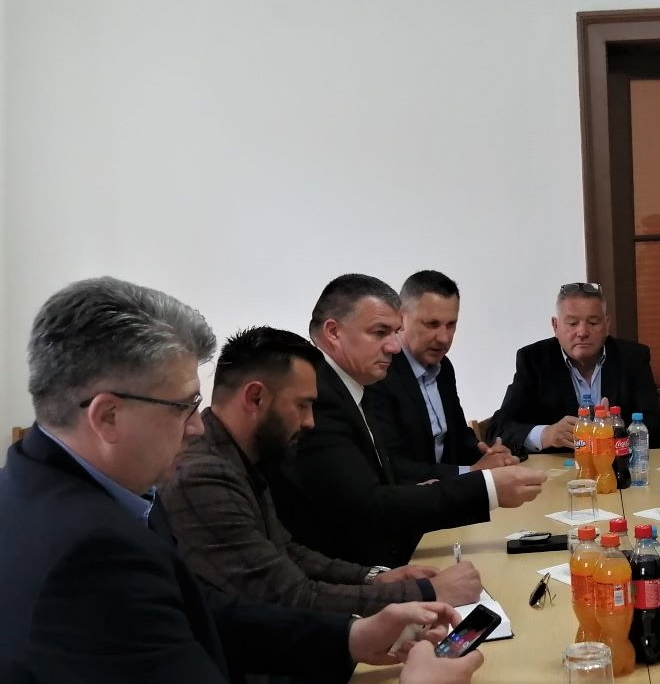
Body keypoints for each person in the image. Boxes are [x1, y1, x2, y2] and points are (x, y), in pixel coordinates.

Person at [0, 276, 482, 684]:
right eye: (183, 406)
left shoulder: (46, 484)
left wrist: (351, 636)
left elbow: (205, 610)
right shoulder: (93, 555)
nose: (196, 426)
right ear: (107, 416)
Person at [159, 326, 483, 620]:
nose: (310, 421)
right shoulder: (203, 477)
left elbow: (286, 552)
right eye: (302, 405)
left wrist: (375, 577)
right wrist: (427, 593)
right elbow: (293, 598)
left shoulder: (241, 455)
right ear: (255, 398)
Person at [263, 274, 546, 568]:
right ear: (333, 332)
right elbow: (367, 506)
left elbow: (380, 484)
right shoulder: (319, 395)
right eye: (380, 332)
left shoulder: (352, 383)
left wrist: (470, 465)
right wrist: (486, 487)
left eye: (394, 332)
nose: (394, 347)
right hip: (350, 570)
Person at [365, 270, 518, 481]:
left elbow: (458, 435)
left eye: (451, 325)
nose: (444, 338)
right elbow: (392, 465)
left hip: (449, 493)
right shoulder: (378, 373)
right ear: (401, 318)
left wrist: (488, 454)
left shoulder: (444, 367)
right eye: (432, 324)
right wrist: (472, 471)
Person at [488, 281, 660, 455]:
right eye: (572, 323)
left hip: (616, 467)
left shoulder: (632, 358)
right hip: (557, 470)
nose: (582, 332)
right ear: (555, 326)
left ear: (607, 325)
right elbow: (498, 429)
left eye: (593, 322)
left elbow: (656, 428)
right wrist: (546, 434)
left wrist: (615, 433)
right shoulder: (533, 360)